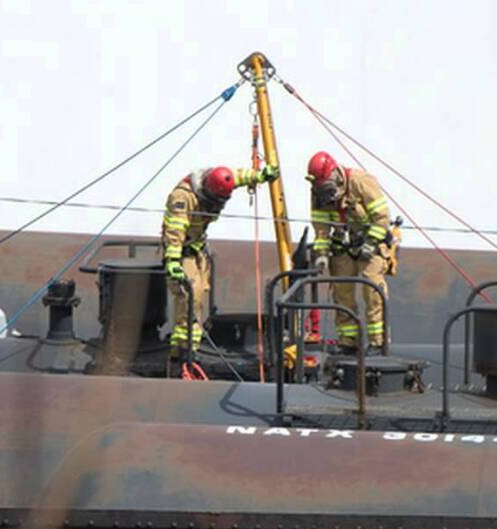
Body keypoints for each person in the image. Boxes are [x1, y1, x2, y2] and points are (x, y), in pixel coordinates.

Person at [163, 163, 278, 374]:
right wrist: (172, 260)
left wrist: (259, 176)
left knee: (201, 294)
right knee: (190, 296)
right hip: (183, 252)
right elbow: (175, 231)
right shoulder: (183, 197)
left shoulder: (218, 181)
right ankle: (183, 351)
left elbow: (239, 176)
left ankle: (191, 344)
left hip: (198, 249)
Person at [306, 151, 392, 355]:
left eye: (328, 188)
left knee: (372, 289)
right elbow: (321, 227)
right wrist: (321, 254)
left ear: (336, 175)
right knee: (341, 292)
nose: (328, 195)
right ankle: (348, 340)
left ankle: (378, 342)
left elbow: (382, 217)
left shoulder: (361, 182)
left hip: (370, 243)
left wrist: (370, 243)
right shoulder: (318, 192)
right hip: (342, 246)